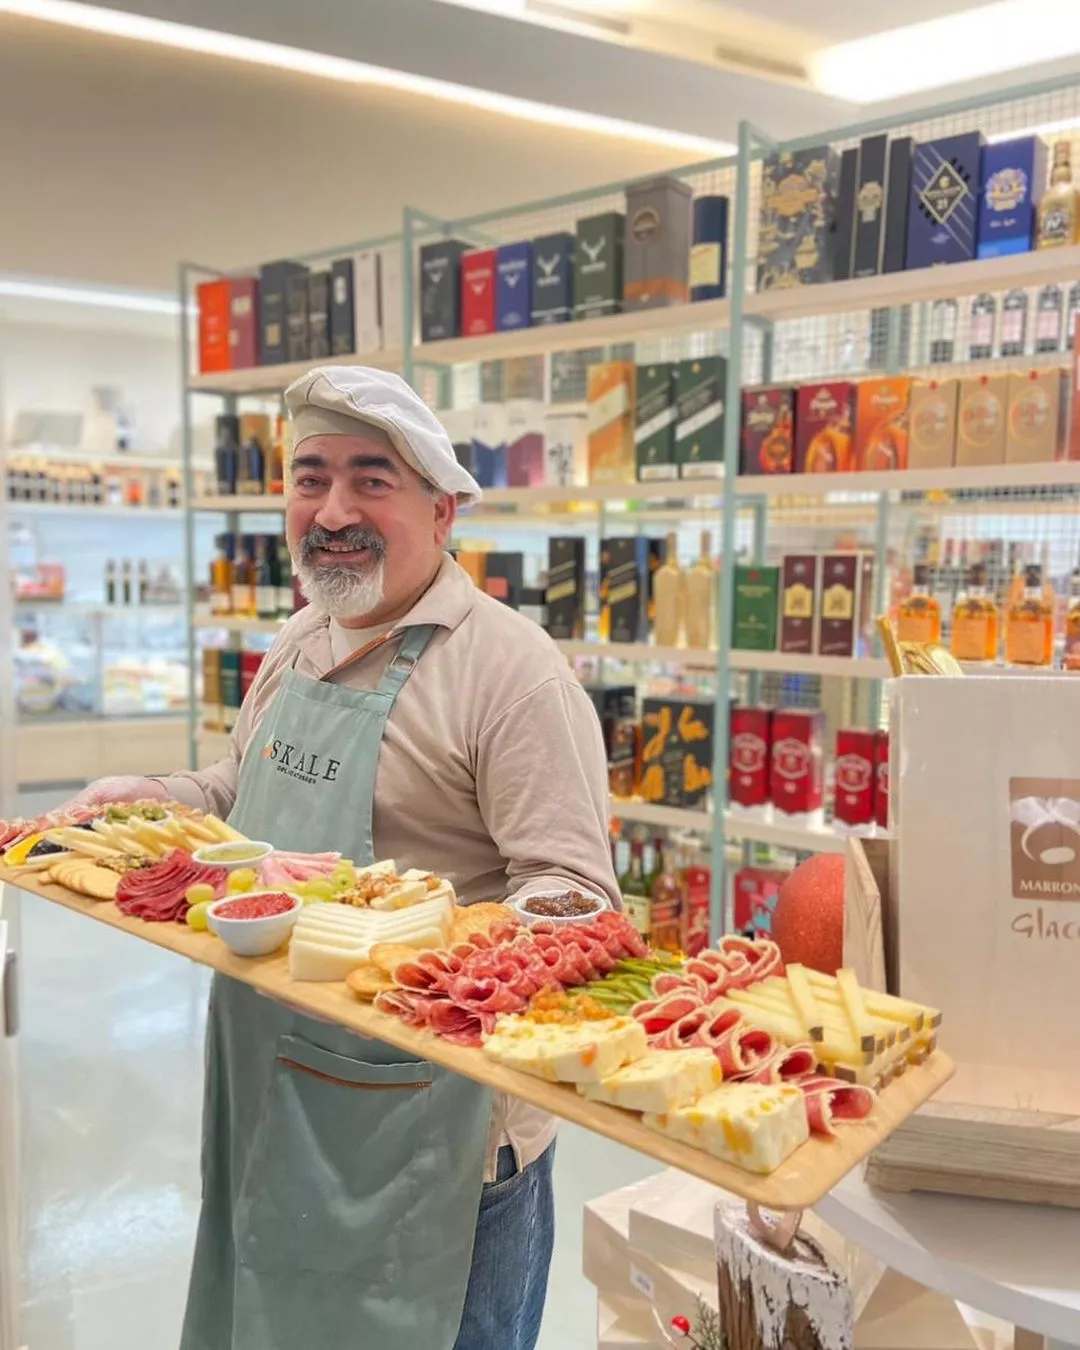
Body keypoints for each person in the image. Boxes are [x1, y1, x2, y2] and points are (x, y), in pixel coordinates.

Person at [72, 366, 619, 1350]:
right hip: (272, 1093)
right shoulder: (299, 640)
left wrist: (446, 952)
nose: (332, 512)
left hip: (433, 1132)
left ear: (442, 510)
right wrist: (152, 800)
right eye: (310, 478)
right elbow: (239, 796)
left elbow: (576, 894)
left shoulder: (512, 675)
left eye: (372, 480)